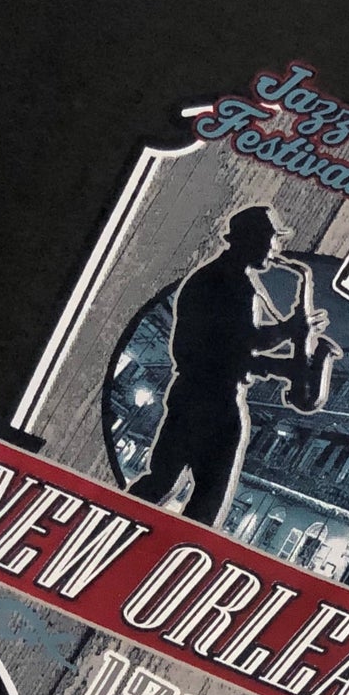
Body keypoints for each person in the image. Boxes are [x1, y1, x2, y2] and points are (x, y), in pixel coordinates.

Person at [131, 204, 325, 527]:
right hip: (211, 399)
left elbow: (235, 349)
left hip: (198, 395)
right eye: (272, 239)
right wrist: (287, 334)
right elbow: (239, 346)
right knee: (199, 503)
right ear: (252, 239)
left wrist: (284, 349)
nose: (276, 248)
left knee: (163, 484)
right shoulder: (224, 283)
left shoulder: (232, 281)